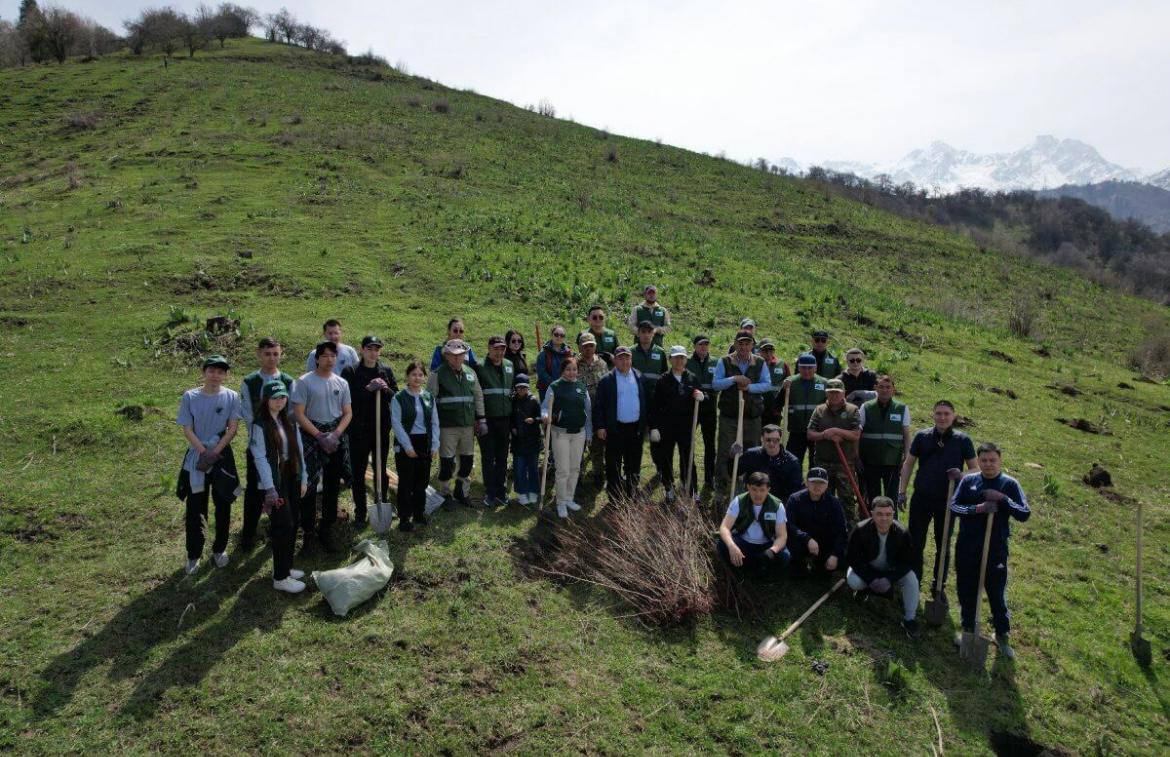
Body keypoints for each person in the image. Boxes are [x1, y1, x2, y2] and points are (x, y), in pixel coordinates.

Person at [950, 442, 1030, 659]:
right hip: (967, 545)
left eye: (992, 460)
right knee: (966, 589)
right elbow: (954, 507)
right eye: (983, 460)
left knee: (996, 593)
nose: (988, 464)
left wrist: (1003, 499)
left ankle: (1002, 635)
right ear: (979, 461)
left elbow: (1024, 513)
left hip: (995, 548)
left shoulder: (1010, 484)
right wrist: (978, 509)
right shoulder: (969, 481)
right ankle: (968, 630)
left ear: (1000, 460)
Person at [898, 400, 979, 591]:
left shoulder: (963, 440)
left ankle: (938, 583)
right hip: (922, 498)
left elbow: (975, 469)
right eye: (939, 413)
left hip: (948, 500)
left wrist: (960, 475)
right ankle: (913, 579)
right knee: (916, 541)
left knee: (943, 543)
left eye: (946, 414)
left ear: (953, 416)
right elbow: (908, 464)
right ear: (933, 415)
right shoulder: (922, 437)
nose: (942, 417)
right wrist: (902, 491)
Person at [176, 355, 242, 574]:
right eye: (212, 371)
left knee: (223, 503)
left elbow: (232, 428)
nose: (215, 375)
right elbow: (187, 428)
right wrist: (203, 452)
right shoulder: (190, 396)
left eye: (220, 372)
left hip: (221, 455)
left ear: (226, 375)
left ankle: (219, 549)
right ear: (204, 372)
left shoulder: (232, 396)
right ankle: (193, 554)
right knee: (195, 506)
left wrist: (215, 452)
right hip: (197, 456)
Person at [292, 341, 353, 552]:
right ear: (316, 358)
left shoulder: (341, 383)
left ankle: (326, 529)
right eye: (325, 356)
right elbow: (299, 414)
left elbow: (348, 412)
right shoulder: (304, 382)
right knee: (308, 487)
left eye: (332, 356)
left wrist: (335, 434)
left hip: (335, 437)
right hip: (311, 437)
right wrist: (319, 435)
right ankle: (308, 534)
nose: (329, 359)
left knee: (332, 486)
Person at [249, 381, 309, 593]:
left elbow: (299, 450)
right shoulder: (260, 425)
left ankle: (287, 566)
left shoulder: (289, 420)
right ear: (266, 400)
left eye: (283, 397)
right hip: (275, 482)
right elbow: (260, 457)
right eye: (275, 398)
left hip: (292, 477)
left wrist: (304, 478)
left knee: (293, 522)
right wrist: (270, 488)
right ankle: (280, 577)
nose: (280, 401)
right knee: (283, 525)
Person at [239, 337, 296, 551]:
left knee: (281, 489)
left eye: (275, 354)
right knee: (255, 491)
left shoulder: (288, 381)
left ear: (280, 355)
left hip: (282, 446)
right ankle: (248, 535)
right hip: (259, 443)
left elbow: (291, 413)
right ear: (258, 354)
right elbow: (246, 413)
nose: (271, 358)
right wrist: (261, 433)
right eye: (267, 353)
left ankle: (277, 532)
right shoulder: (250, 381)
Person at [341, 335, 398, 528]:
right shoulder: (351, 371)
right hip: (359, 431)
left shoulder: (385, 371)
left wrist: (386, 388)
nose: (374, 353)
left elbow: (396, 397)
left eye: (377, 349)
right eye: (370, 349)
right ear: (362, 350)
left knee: (381, 469)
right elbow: (347, 398)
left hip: (381, 430)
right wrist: (368, 389)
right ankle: (360, 512)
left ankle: (382, 504)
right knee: (358, 472)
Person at [846, 496, 921, 638]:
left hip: (890, 571)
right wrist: (870, 579)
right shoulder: (860, 530)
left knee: (912, 579)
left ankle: (909, 619)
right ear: (872, 514)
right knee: (853, 581)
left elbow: (909, 562)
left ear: (893, 514)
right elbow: (852, 559)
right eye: (879, 514)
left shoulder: (902, 533)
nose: (884, 518)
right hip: (867, 569)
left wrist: (889, 579)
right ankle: (867, 589)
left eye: (888, 514)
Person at [427, 339, 486, 506]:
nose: (457, 359)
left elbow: (478, 396)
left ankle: (461, 491)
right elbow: (429, 400)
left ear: (464, 356)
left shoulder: (470, 373)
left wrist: (481, 419)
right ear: (446, 355)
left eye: (460, 355)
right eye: (453, 356)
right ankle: (445, 494)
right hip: (447, 426)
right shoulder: (437, 374)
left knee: (466, 461)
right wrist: (431, 425)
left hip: (467, 426)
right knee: (447, 462)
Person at [713, 331, 772, 492]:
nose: (744, 347)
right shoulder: (725, 361)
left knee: (752, 450)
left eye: (748, 343)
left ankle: (749, 485)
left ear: (753, 345)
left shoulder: (759, 362)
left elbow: (767, 384)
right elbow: (716, 384)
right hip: (729, 416)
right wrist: (734, 379)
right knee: (726, 450)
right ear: (736, 343)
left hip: (752, 417)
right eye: (741, 343)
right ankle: (722, 484)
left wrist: (749, 387)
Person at [649, 346, 705, 503]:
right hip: (667, 427)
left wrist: (702, 396)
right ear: (670, 359)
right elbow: (654, 405)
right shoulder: (663, 380)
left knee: (688, 458)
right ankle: (669, 488)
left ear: (686, 360)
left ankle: (691, 488)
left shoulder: (692, 378)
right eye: (676, 357)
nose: (679, 360)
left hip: (686, 427)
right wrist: (654, 427)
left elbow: (703, 399)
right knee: (666, 457)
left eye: (682, 357)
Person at [390, 362, 440, 532]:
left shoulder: (428, 397)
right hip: (406, 443)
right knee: (406, 482)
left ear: (424, 377)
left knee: (422, 482)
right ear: (407, 376)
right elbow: (396, 424)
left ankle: (419, 513)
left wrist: (434, 444)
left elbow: (434, 422)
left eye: (420, 375)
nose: (417, 378)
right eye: (413, 374)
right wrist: (407, 446)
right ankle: (404, 518)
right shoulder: (398, 397)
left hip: (424, 442)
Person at [594, 346, 648, 498]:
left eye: (627, 358)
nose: (624, 361)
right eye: (621, 358)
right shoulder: (607, 380)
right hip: (615, 429)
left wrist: (646, 424)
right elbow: (599, 405)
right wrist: (600, 426)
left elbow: (646, 401)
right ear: (615, 360)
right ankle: (615, 498)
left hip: (635, 429)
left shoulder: (639, 376)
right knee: (613, 465)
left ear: (631, 359)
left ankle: (632, 493)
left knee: (634, 464)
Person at [541, 358, 592, 518]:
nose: (571, 372)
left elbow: (588, 413)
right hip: (560, 433)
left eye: (574, 369)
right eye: (568, 369)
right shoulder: (554, 386)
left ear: (578, 371)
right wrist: (545, 415)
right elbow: (544, 407)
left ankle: (569, 498)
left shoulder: (582, 387)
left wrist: (589, 433)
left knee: (575, 468)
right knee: (562, 470)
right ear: (563, 370)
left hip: (579, 433)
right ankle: (561, 502)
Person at [716, 471, 791, 579]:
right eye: (754, 489)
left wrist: (772, 551)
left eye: (762, 490)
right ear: (748, 487)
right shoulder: (739, 501)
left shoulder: (777, 505)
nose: (758, 494)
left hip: (766, 545)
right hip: (743, 543)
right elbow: (724, 527)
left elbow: (782, 536)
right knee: (722, 545)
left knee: (785, 557)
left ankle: (765, 575)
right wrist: (732, 546)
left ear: (768, 490)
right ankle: (739, 569)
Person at [807, 378, 863, 521]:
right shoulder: (819, 410)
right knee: (822, 497)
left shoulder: (852, 410)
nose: (834, 396)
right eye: (830, 393)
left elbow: (856, 434)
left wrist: (837, 431)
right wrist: (825, 435)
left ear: (844, 393)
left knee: (847, 499)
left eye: (837, 393)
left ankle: (849, 531)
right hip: (822, 463)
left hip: (845, 464)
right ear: (826, 393)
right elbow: (810, 434)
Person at [785, 468, 848, 576]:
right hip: (802, 541)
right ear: (807, 483)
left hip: (824, 542)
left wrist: (835, 554)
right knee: (796, 573)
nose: (817, 486)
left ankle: (819, 563)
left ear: (827, 485)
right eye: (813, 482)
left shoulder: (834, 503)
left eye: (821, 483)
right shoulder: (795, 500)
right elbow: (789, 525)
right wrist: (807, 538)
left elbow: (841, 530)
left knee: (827, 571)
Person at [475, 335, 514, 508]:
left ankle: (501, 490)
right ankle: (490, 492)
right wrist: (478, 419)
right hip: (486, 419)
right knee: (488, 456)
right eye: (496, 348)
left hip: (505, 419)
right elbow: (476, 394)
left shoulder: (509, 366)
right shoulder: (479, 367)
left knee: (502, 456)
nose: (499, 352)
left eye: (502, 349)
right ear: (489, 349)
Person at [859, 375, 910, 503]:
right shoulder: (866, 407)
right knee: (872, 498)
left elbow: (906, 435)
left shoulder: (902, 408)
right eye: (881, 387)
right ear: (875, 388)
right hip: (870, 460)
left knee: (891, 498)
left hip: (893, 461)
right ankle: (872, 522)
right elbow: (857, 434)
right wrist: (856, 456)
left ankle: (892, 522)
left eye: (888, 387)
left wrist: (906, 457)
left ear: (893, 389)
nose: (884, 390)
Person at [576, 333, 610, 487]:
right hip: (580, 411)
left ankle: (598, 474)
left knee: (597, 446)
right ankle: (578, 478)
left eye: (591, 345)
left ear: (595, 346)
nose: (588, 348)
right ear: (580, 347)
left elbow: (607, 385)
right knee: (578, 447)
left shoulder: (602, 364)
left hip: (598, 411)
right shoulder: (574, 364)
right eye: (585, 346)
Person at [686, 335, 720, 490]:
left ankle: (709, 477)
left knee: (709, 443)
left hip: (710, 406)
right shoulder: (687, 361)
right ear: (695, 346)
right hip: (691, 406)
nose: (703, 347)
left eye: (706, 344)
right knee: (689, 441)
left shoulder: (716, 362)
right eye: (700, 344)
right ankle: (688, 475)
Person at [736, 424, 803, 502]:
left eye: (775, 440)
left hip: (779, 504)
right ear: (762, 439)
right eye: (768, 440)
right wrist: (732, 457)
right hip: (753, 501)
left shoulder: (792, 462)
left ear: (780, 440)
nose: (772, 443)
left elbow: (795, 491)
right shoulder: (751, 455)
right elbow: (734, 472)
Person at [782, 354, 826, 469]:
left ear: (815, 368)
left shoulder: (823, 383)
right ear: (799, 368)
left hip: (817, 431)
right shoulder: (790, 383)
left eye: (810, 368)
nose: (807, 371)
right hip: (796, 430)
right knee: (793, 462)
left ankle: (814, 486)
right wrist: (783, 389)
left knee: (815, 463)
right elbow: (779, 403)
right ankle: (795, 486)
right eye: (803, 368)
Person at [510, 374, 542, 505]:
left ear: (528, 388)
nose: (522, 390)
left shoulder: (534, 400)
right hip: (518, 441)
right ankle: (522, 493)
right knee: (519, 469)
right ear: (516, 389)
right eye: (519, 387)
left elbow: (541, 417)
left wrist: (534, 420)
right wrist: (512, 428)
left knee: (533, 468)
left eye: (524, 387)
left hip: (533, 440)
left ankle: (534, 492)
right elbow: (510, 418)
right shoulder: (512, 401)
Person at [758, 340, 791, 428]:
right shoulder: (755, 364)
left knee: (773, 434)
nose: (768, 353)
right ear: (759, 351)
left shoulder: (782, 364)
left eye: (771, 350)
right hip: (758, 406)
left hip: (775, 407)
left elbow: (789, 382)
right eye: (765, 350)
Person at [534, 325, 572, 399]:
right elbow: (541, 373)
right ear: (551, 335)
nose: (559, 337)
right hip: (546, 390)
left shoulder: (568, 353)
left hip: (564, 390)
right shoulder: (543, 353)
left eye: (562, 335)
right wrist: (556, 385)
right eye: (556, 334)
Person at [630, 320, 667, 395]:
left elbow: (664, 374)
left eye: (649, 332)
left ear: (653, 334)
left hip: (655, 394)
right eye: (643, 332)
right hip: (635, 393)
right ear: (638, 334)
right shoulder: (630, 352)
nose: (646, 335)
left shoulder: (660, 352)